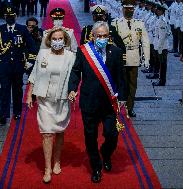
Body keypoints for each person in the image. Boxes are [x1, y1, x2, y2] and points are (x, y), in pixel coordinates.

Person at [68, 21, 126, 183]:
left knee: (112, 135)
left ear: (109, 36)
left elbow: (121, 77)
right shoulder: (84, 52)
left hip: (109, 103)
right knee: (90, 136)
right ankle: (96, 167)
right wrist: (72, 89)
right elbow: (75, 71)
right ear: (92, 36)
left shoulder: (116, 52)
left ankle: (106, 154)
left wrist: (122, 97)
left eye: (105, 36)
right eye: (98, 36)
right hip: (89, 102)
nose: (101, 38)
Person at [27, 27, 75, 183]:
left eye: (60, 38)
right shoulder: (42, 54)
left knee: (59, 131)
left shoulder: (71, 56)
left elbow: (75, 76)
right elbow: (34, 74)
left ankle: (57, 161)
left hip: (62, 98)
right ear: (49, 40)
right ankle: (47, 168)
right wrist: (29, 95)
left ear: (65, 40)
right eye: (54, 39)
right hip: (44, 99)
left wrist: (74, 91)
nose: (57, 41)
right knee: (47, 132)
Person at [0, 6, 37, 125]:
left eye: (12, 16)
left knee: (17, 90)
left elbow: (32, 47)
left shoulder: (22, 29)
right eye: (7, 16)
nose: (9, 18)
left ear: (16, 16)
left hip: (18, 66)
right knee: (4, 90)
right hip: (4, 66)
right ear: (5, 17)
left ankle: (17, 112)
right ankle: (3, 114)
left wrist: (30, 61)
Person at [112, 0, 150, 117]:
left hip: (134, 56)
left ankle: (130, 107)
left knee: (133, 84)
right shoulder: (116, 23)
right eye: (127, 8)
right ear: (122, 9)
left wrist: (146, 58)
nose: (129, 11)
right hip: (121, 57)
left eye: (131, 9)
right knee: (120, 82)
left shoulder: (139, 23)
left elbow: (145, 42)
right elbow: (113, 42)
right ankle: (118, 105)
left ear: (134, 10)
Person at [152, 4, 171, 86]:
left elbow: (162, 36)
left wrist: (159, 48)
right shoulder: (160, 19)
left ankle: (162, 81)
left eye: (158, 10)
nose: (156, 11)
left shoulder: (162, 21)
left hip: (162, 47)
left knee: (162, 65)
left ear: (161, 11)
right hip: (160, 45)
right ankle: (161, 80)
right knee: (161, 64)